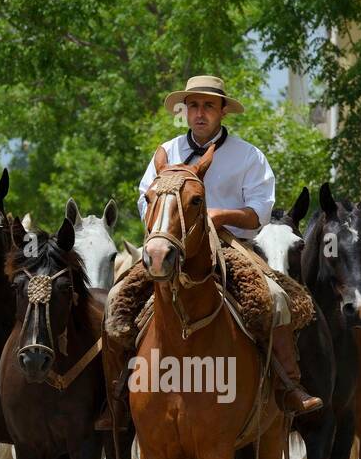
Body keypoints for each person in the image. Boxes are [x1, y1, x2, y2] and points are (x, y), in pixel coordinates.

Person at [101, 73, 321, 428]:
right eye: (193, 106)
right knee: (117, 298)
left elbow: (260, 212)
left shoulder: (248, 156)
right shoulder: (166, 151)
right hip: (171, 242)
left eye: (208, 106)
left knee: (275, 297)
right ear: (185, 111)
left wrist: (218, 216)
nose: (200, 113)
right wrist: (168, 226)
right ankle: (116, 395)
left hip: (230, 244)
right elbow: (146, 202)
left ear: (222, 112)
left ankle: (287, 385)